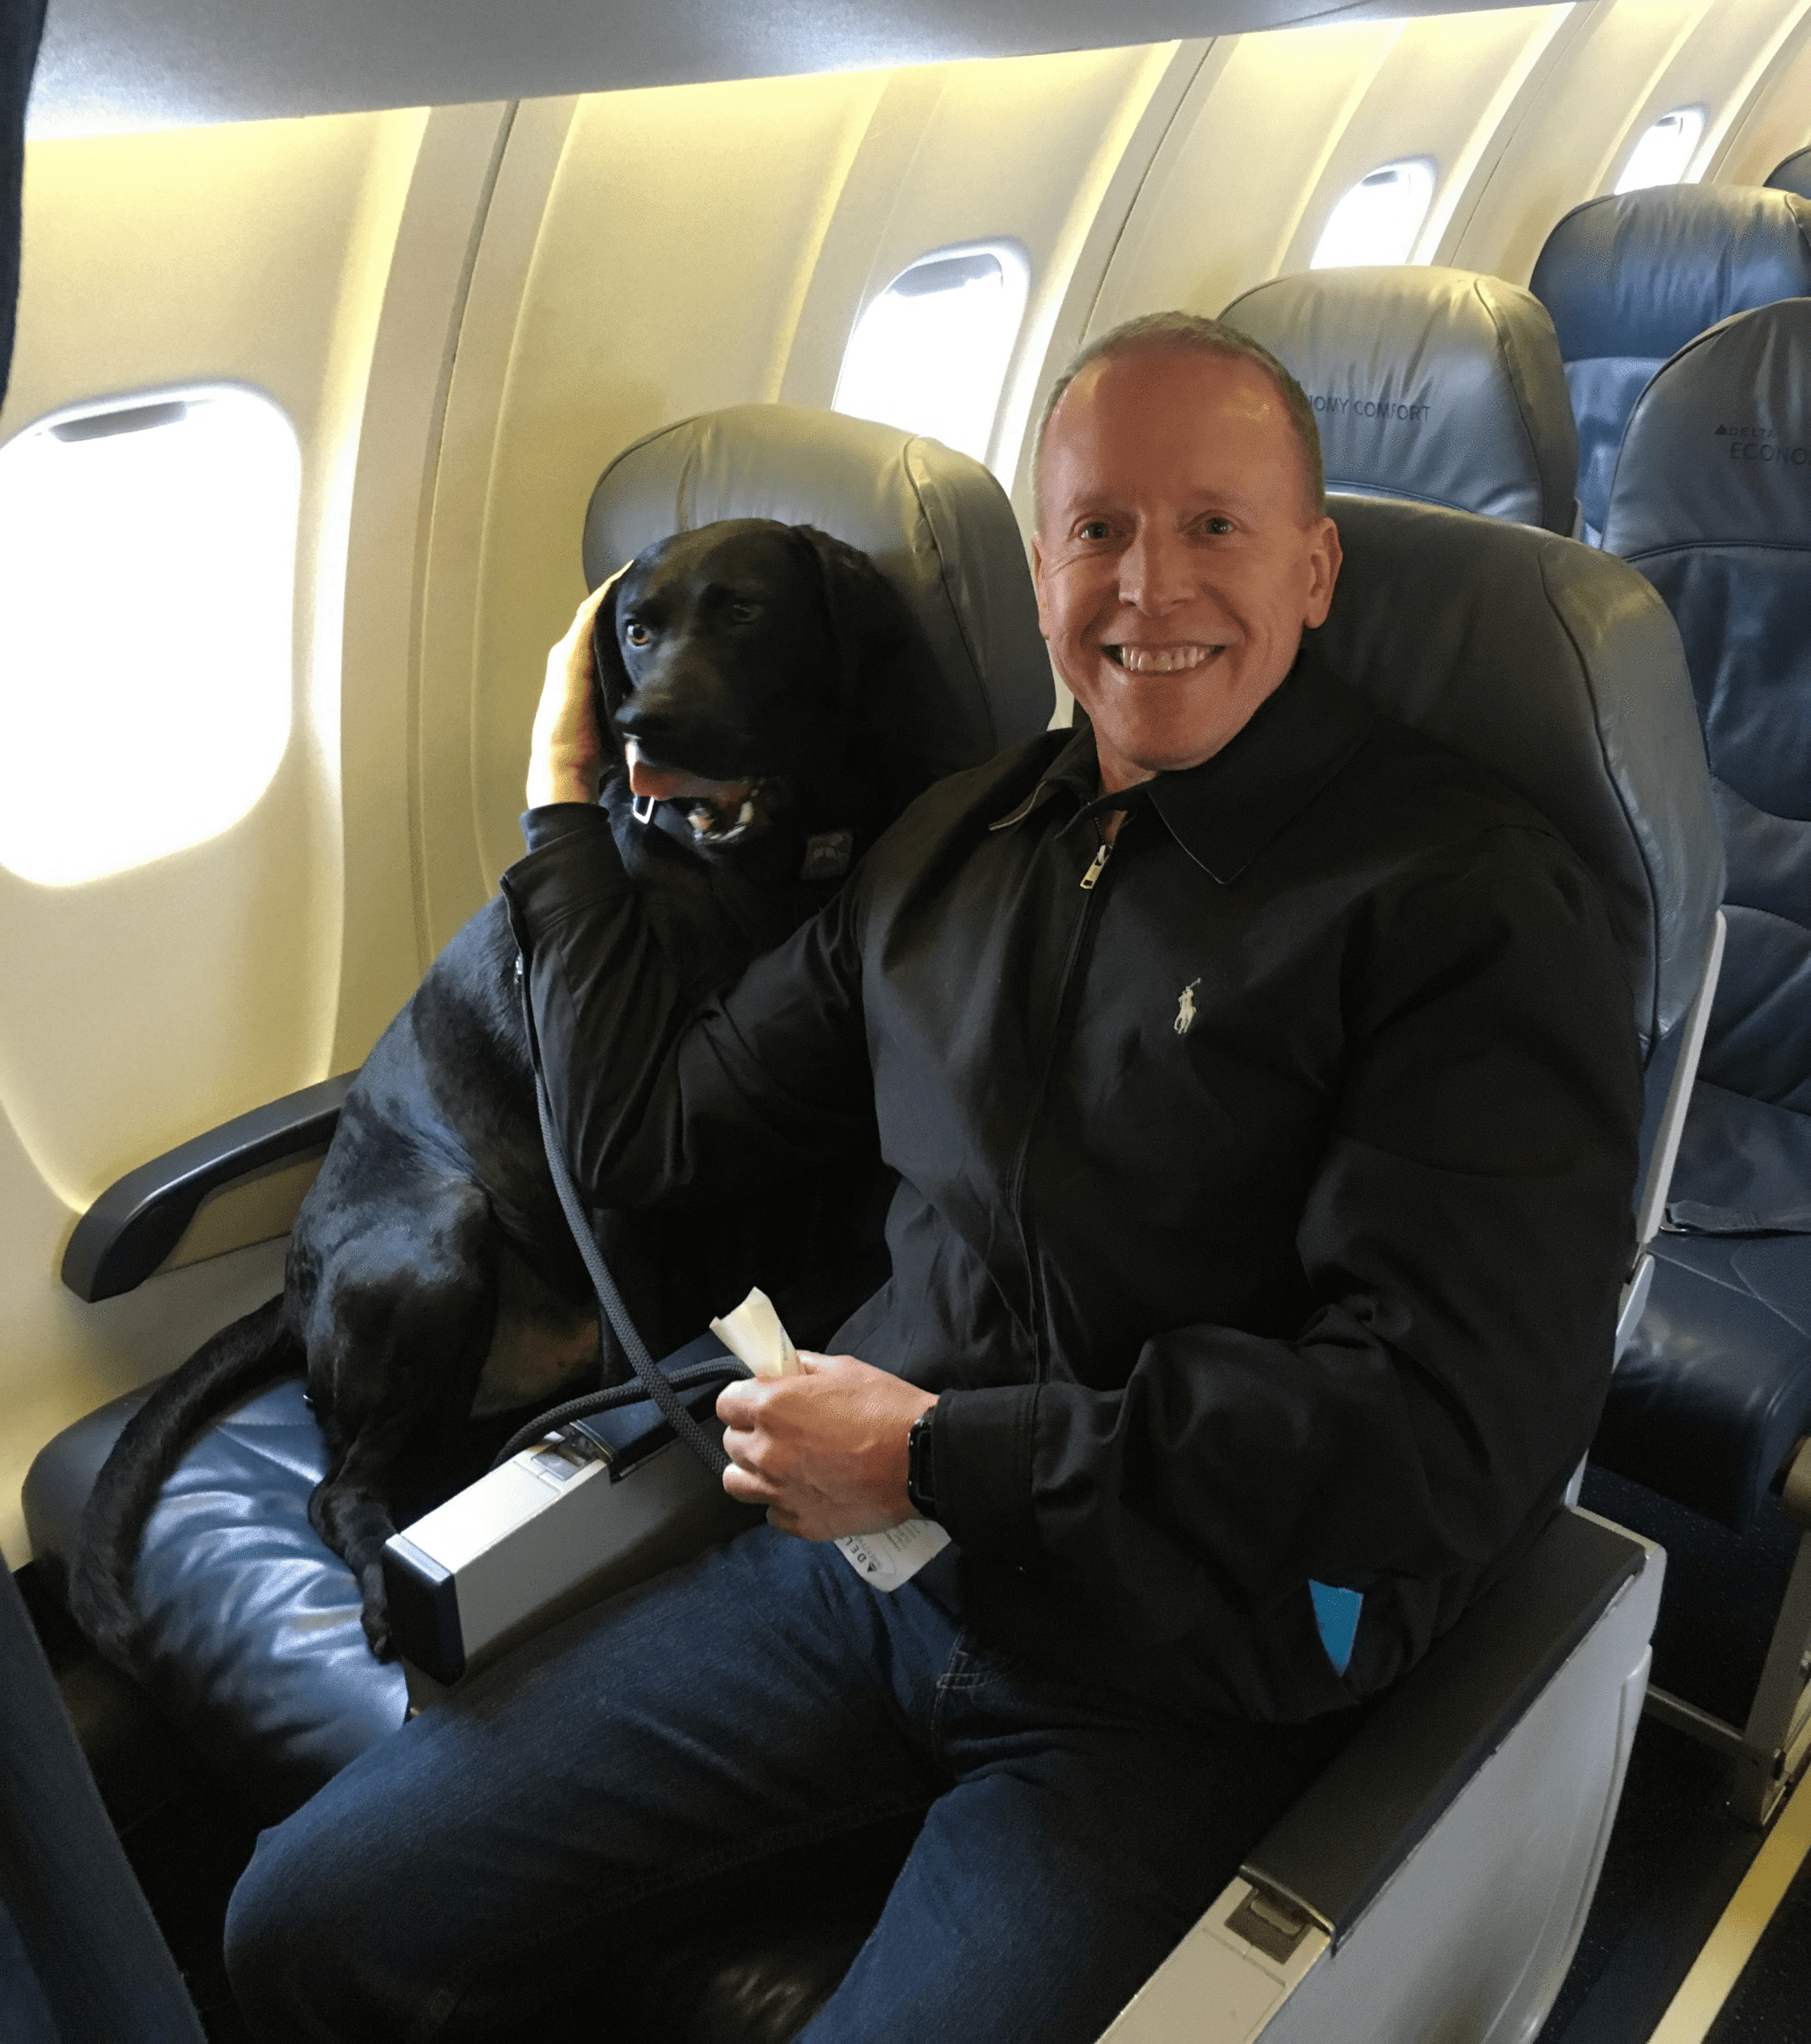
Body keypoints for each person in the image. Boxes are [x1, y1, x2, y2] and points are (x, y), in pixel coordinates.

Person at [223, 313, 1641, 2042]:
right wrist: (565, 810)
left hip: (1184, 1674)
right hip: (868, 1582)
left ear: (1319, 565)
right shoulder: (951, 850)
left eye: (1216, 525)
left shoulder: (1464, 900)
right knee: (302, 1918)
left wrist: (932, 1447)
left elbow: (1422, 1438)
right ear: (1042, 570)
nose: (1149, 584)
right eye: (1099, 528)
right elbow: (643, 1137)